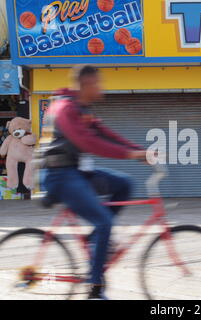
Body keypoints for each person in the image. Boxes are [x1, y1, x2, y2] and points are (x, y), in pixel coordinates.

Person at [40, 65, 151, 300]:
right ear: (86, 84)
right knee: (103, 223)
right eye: (98, 83)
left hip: (78, 172)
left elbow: (106, 134)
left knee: (124, 184)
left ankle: (94, 243)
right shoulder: (65, 108)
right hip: (60, 176)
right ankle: (94, 287)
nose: (102, 87)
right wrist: (131, 155)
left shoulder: (82, 108)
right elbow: (89, 142)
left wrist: (142, 151)